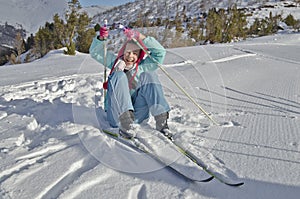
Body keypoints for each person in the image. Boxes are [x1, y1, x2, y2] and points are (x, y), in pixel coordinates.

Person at [89, 24, 171, 138]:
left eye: (135, 53)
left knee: (149, 75)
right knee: (118, 75)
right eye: (128, 52)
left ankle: (161, 121)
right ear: (123, 52)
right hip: (117, 116)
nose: (130, 56)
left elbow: (160, 52)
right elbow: (96, 53)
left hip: (138, 114)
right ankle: (126, 124)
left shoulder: (143, 67)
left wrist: (140, 37)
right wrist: (101, 38)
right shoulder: (115, 63)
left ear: (139, 56)